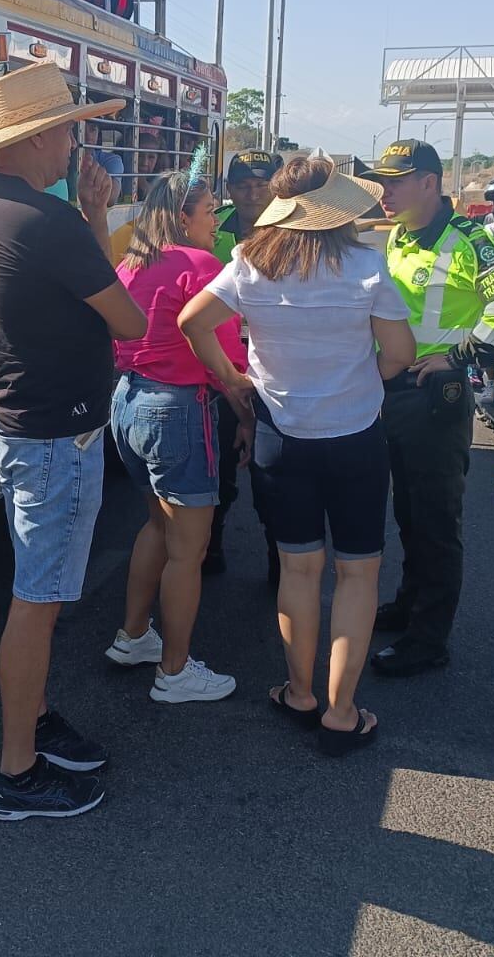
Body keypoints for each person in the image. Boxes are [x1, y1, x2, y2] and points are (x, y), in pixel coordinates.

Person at [0, 62, 148, 821]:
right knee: (36, 603)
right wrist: (94, 217)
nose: (76, 143)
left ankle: (32, 726)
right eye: (68, 127)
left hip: (20, 425)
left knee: (37, 594)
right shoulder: (51, 220)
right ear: (37, 137)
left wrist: (86, 214)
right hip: (55, 437)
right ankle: (17, 771)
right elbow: (127, 319)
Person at [180, 156, 415, 755]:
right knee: (358, 573)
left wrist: (234, 377)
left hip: (280, 436)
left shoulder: (250, 262)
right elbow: (399, 352)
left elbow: (193, 322)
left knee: (299, 570)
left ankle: (299, 691)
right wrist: (367, 378)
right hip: (356, 434)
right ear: (336, 208)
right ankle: (342, 711)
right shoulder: (367, 264)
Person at [366, 140, 494, 677]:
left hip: (436, 398)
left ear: (429, 183)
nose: (383, 192)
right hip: (393, 392)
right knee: (408, 511)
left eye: (394, 182)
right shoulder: (401, 237)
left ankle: (429, 638)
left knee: (435, 519)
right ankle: (412, 604)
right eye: (381, 182)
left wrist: (460, 356)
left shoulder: (470, 240)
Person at [103, 168, 246, 703]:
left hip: (129, 401)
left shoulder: (132, 263)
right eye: (211, 211)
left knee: (157, 528)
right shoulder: (203, 264)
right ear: (184, 216)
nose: (217, 220)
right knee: (190, 548)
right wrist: (246, 402)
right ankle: (175, 671)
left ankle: (134, 635)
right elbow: (228, 357)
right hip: (178, 408)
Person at [207, 149, 283, 579]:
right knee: (217, 465)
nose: (252, 192)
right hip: (224, 369)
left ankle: (280, 561)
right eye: (242, 184)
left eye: (261, 183)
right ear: (230, 189)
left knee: (274, 476)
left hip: (277, 368)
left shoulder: (297, 230)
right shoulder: (211, 228)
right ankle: (210, 547)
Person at [86, 121, 125, 202]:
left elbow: (111, 198)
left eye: (93, 129)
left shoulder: (111, 160)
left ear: (98, 133)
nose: (88, 136)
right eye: (81, 129)